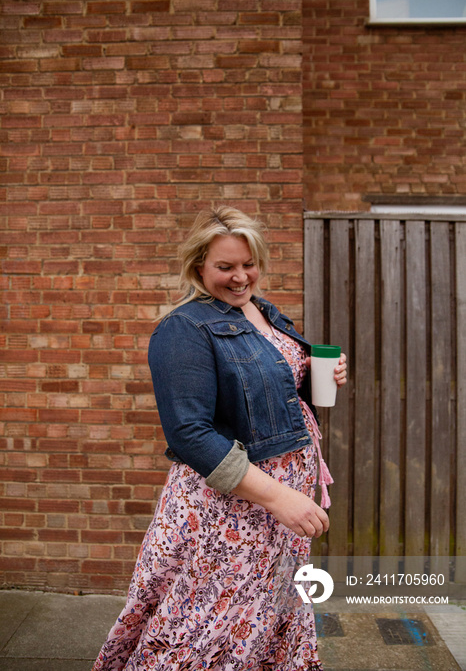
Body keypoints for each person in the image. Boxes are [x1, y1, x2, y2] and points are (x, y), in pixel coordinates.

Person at [93, 206, 347, 671]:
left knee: (267, 618)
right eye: (224, 267)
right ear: (198, 267)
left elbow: (265, 393)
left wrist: (313, 379)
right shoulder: (184, 329)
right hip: (229, 511)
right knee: (206, 625)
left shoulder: (264, 313)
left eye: (248, 264)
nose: (239, 277)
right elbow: (190, 433)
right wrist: (278, 498)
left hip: (276, 513)